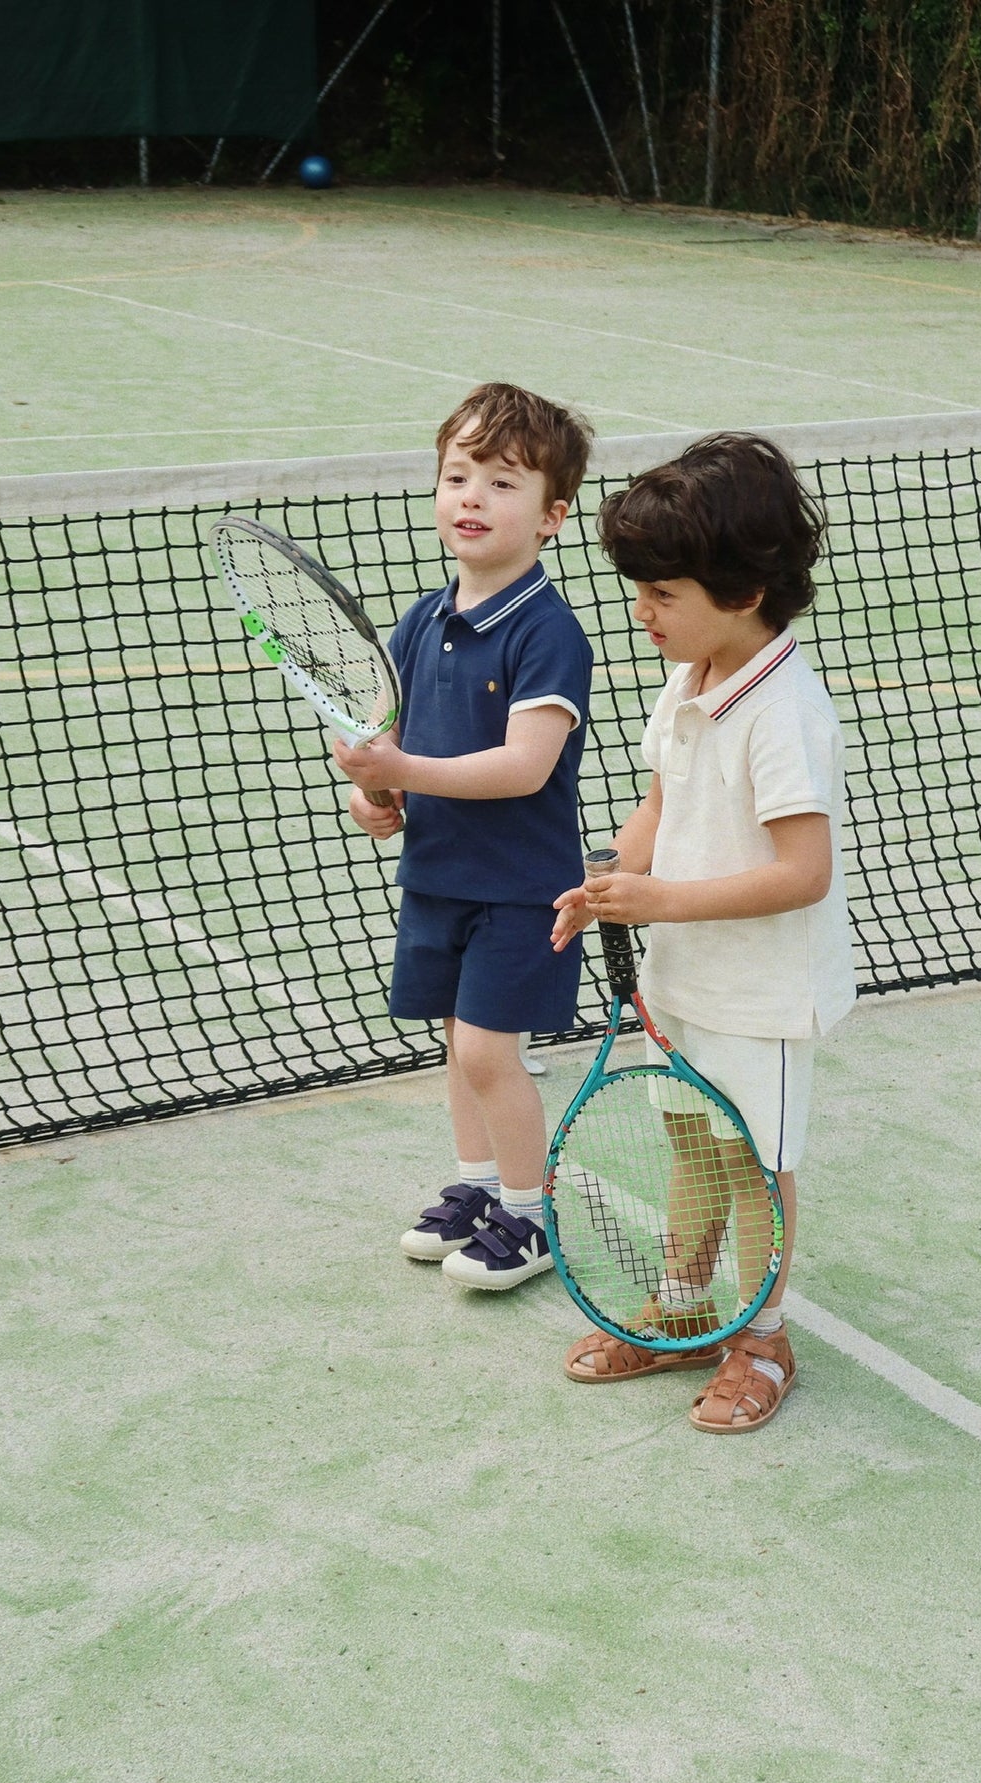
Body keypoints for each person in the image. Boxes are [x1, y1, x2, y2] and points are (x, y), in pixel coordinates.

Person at [551, 433, 856, 1431]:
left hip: (760, 996)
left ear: (742, 590)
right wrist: (610, 878)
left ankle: (761, 1337)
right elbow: (659, 802)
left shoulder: (784, 713)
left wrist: (660, 902)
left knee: (755, 1166)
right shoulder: (688, 676)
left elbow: (802, 872)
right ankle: (682, 1312)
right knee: (693, 1143)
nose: (640, 611)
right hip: (681, 978)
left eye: (661, 593)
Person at [334, 382, 595, 1290]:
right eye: (456, 476)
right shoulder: (418, 621)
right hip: (437, 875)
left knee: (488, 1052)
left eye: (502, 482)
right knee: (457, 1044)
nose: (471, 497)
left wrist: (402, 769)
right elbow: (386, 742)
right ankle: (478, 1188)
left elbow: (524, 765)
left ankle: (530, 1214)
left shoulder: (548, 633)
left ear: (552, 515)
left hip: (521, 888)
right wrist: (372, 795)